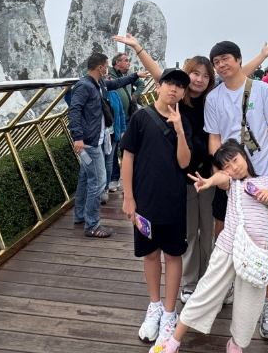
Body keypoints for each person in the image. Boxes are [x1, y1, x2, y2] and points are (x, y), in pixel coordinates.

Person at [112, 34, 268, 305]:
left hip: (215, 176)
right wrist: (137, 48)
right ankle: (191, 283)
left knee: (213, 231)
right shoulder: (177, 100)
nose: (199, 79)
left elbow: (237, 74)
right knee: (190, 233)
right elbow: (160, 74)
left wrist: (261, 57)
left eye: (206, 74)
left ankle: (210, 279)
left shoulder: (213, 99)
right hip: (187, 179)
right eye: (194, 74)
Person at [149, 139, 268, 353]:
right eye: (227, 166)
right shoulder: (232, 184)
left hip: (256, 254)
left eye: (236, 160)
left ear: (244, 155)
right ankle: (173, 341)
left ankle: (236, 344)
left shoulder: (266, 182)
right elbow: (221, 177)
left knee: (249, 303)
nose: (234, 168)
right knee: (206, 291)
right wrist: (209, 181)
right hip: (228, 248)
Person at [205, 40, 268, 340]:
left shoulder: (263, 91)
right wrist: (219, 175)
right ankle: (229, 280)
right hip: (229, 179)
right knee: (222, 229)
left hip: (263, 178)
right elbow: (214, 139)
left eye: (225, 59)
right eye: (216, 62)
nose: (221, 65)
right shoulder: (213, 98)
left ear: (239, 60)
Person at [121, 68, 193, 346]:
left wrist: (178, 129)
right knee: (150, 255)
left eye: (179, 86)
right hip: (145, 201)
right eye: (169, 84)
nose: (173, 89)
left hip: (173, 200)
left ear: (184, 93)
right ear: (159, 85)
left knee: (173, 256)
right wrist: (129, 197)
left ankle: (170, 312)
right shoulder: (140, 117)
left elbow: (185, 162)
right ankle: (155, 307)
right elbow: (128, 157)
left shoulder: (183, 122)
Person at [68, 52, 146, 238]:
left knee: (86, 178)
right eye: (105, 67)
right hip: (89, 142)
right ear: (100, 67)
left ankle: (80, 216)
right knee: (98, 181)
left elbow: (116, 83)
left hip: (97, 138)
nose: (107, 71)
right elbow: (74, 111)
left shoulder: (99, 84)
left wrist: (135, 76)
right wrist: (78, 137)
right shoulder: (84, 86)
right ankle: (92, 225)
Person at [106, 52, 141, 194]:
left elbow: (141, 83)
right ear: (117, 63)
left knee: (128, 149)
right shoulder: (110, 77)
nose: (129, 63)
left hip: (127, 117)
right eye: (126, 60)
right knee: (113, 151)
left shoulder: (126, 76)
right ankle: (114, 179)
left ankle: (131, 179)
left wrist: (136, 94)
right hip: (114, 121)